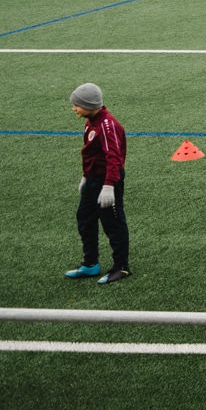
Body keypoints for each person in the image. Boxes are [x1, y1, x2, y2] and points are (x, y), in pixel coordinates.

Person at [65, 83, 129, 285]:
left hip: (107, 180)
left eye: (77, 104)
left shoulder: (107, 125)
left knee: (113, 223)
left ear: (90, 104)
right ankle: (91, 263)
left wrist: (109, 185)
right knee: (84, 219)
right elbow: (90, 153)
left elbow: (114, 158)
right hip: (93, 179)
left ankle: (121, 267)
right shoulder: (91, 121)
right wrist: (86, 176)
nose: (74, 108)